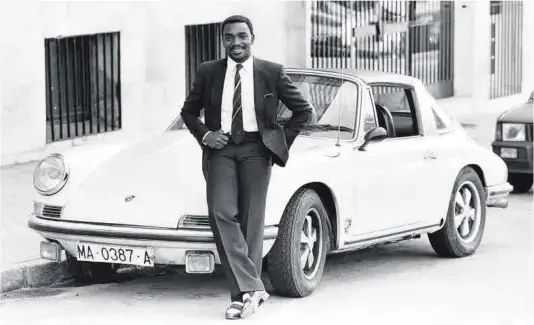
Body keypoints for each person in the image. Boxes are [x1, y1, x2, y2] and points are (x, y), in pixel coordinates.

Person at [180, 14, 312, 319]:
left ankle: (241, 298)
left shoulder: (271, 72)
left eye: (242, 36)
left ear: (252, 37)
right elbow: (188, 112)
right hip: (221, 149)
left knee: (251, 224)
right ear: (223, 40)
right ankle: (254, 286)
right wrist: (206, 135)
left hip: (256, 150)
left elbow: (303, 111)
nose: (235, 43)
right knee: (221, 213)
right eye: (229, 37)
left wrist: (277, 142)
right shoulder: (209, 72)